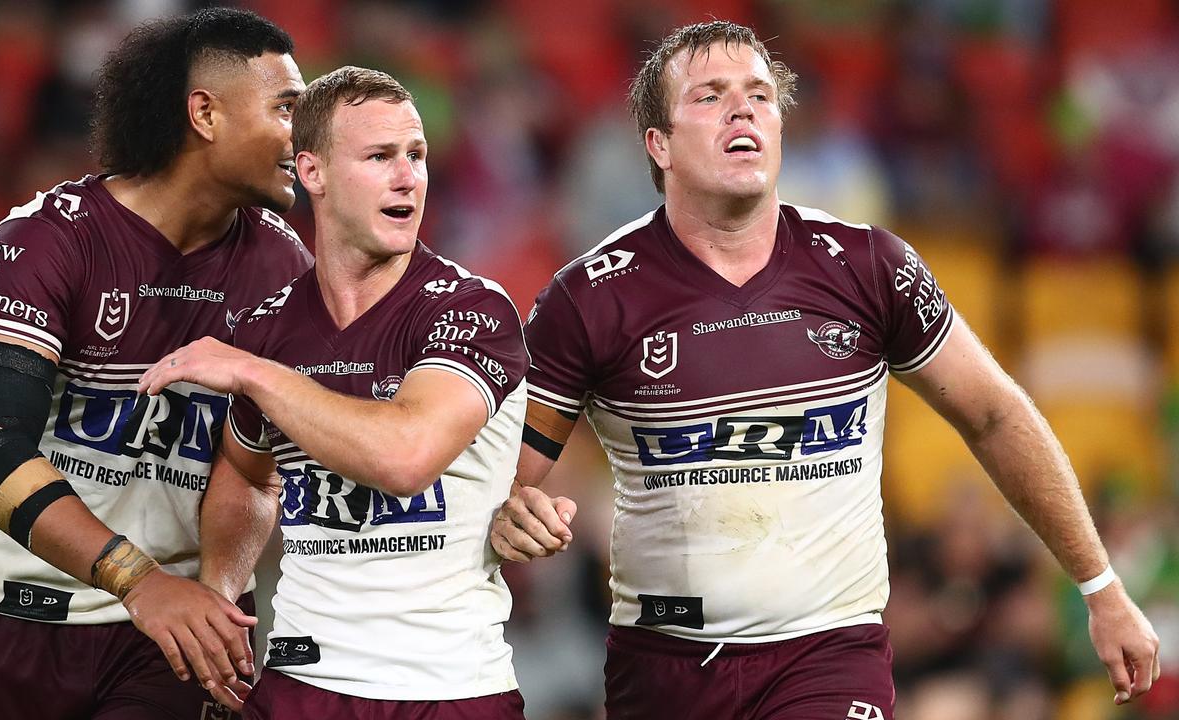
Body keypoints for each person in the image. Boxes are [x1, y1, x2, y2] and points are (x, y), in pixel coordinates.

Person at [489, 20, 1162, 720]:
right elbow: (507, 483)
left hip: (829, 659)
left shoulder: (869, 267)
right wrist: (518, 516)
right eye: (710, 97)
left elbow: (996, 413)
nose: (743, 109)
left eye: (758, 95)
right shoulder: (589, 296)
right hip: (665, 670)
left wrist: (1102, 587)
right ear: (658, 144)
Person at [137, 66, 529, 718]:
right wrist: (220, 599)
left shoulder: (470, 310)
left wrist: (258, 375)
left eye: (417, 156)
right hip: (296, 686)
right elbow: (246, 474)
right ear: (312, 174)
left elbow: (405, 458)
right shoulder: (268, 328)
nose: (408, 176)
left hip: (443, 690)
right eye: (380, 157)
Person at [0, 8, 312, 718]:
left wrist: (216, 593)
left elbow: (252, 470)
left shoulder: (284, 267)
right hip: (25, 624)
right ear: (205, 114)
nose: (303, 137)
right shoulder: (46, 240)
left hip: (172, 637)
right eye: (285, 108)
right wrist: (137, 580)